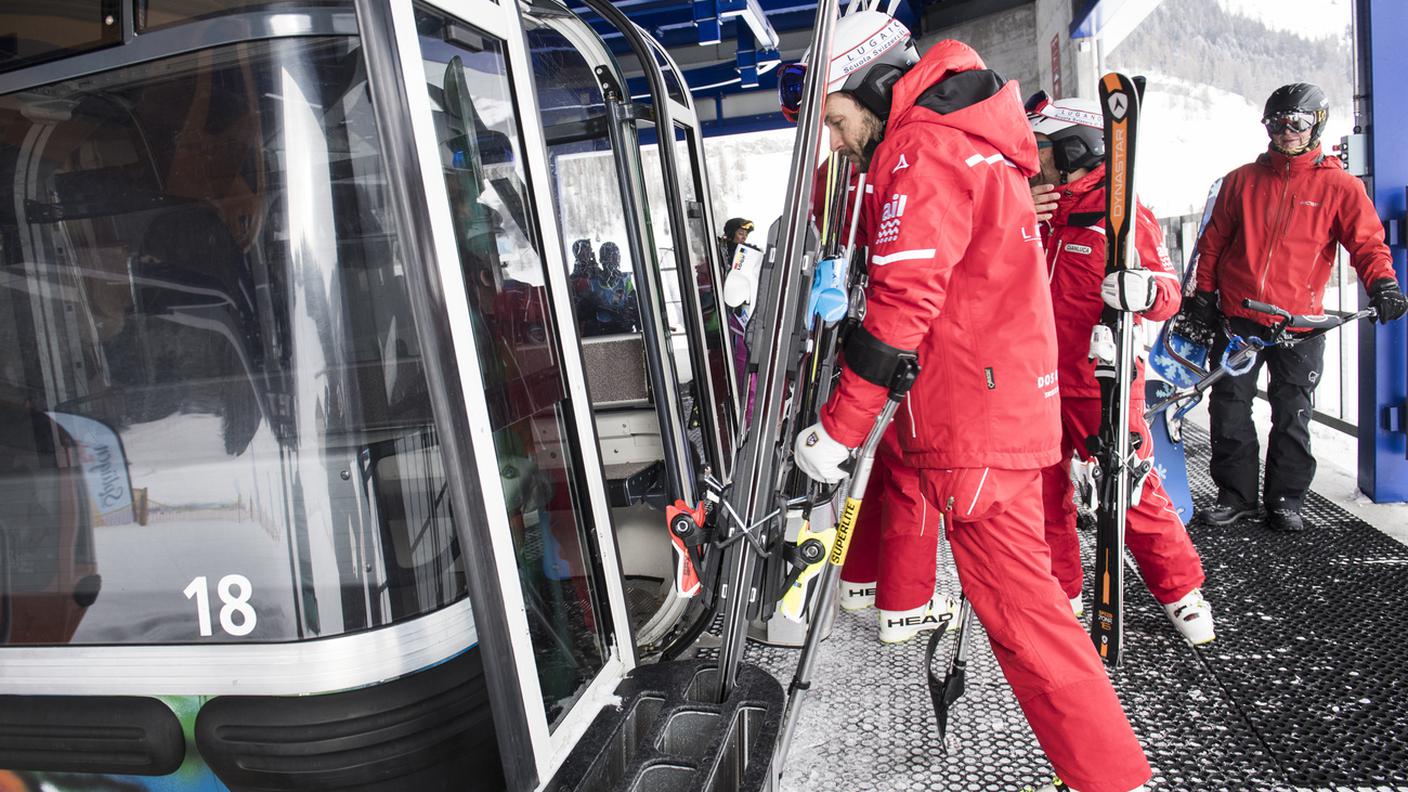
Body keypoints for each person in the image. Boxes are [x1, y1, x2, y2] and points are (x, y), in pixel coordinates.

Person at [789, 11, 1150, 792]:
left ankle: (1109, 778)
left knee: (1027, 625)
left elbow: (901, 304)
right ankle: (1099, 770)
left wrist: (837, 429)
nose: (837, 139)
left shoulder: (927, 147)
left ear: (872, 85)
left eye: (836, 118)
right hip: (980, 411)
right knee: (1029, 620)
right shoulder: (958, 140)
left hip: (973, 426)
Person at [1179, 83, 1408, 533]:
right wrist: (1204, 297)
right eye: (1278, 122)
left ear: (1317, 124)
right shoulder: (1241, 180)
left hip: (1298, 323)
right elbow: (1212, 244)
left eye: (1298, 122)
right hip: (1240, 316)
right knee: (1229, 407)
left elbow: (1367, 244)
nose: (1287, 131)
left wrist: (1383, 284)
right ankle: (1236, 496)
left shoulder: (1338, 187)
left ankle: (1285, 499)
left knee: (1293, 412)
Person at [1026, 94, 1213, 645]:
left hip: (1098, 381)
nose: (1035, 161)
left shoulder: (1121, 212)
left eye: (1044, 149)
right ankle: (1064, 590)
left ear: (1074, 149)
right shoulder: (1037, 206)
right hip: (1036, 379)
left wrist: (1143, 289)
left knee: (1127, 489)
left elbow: (1170, 294)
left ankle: (1182, 592)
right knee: (1044, 491)